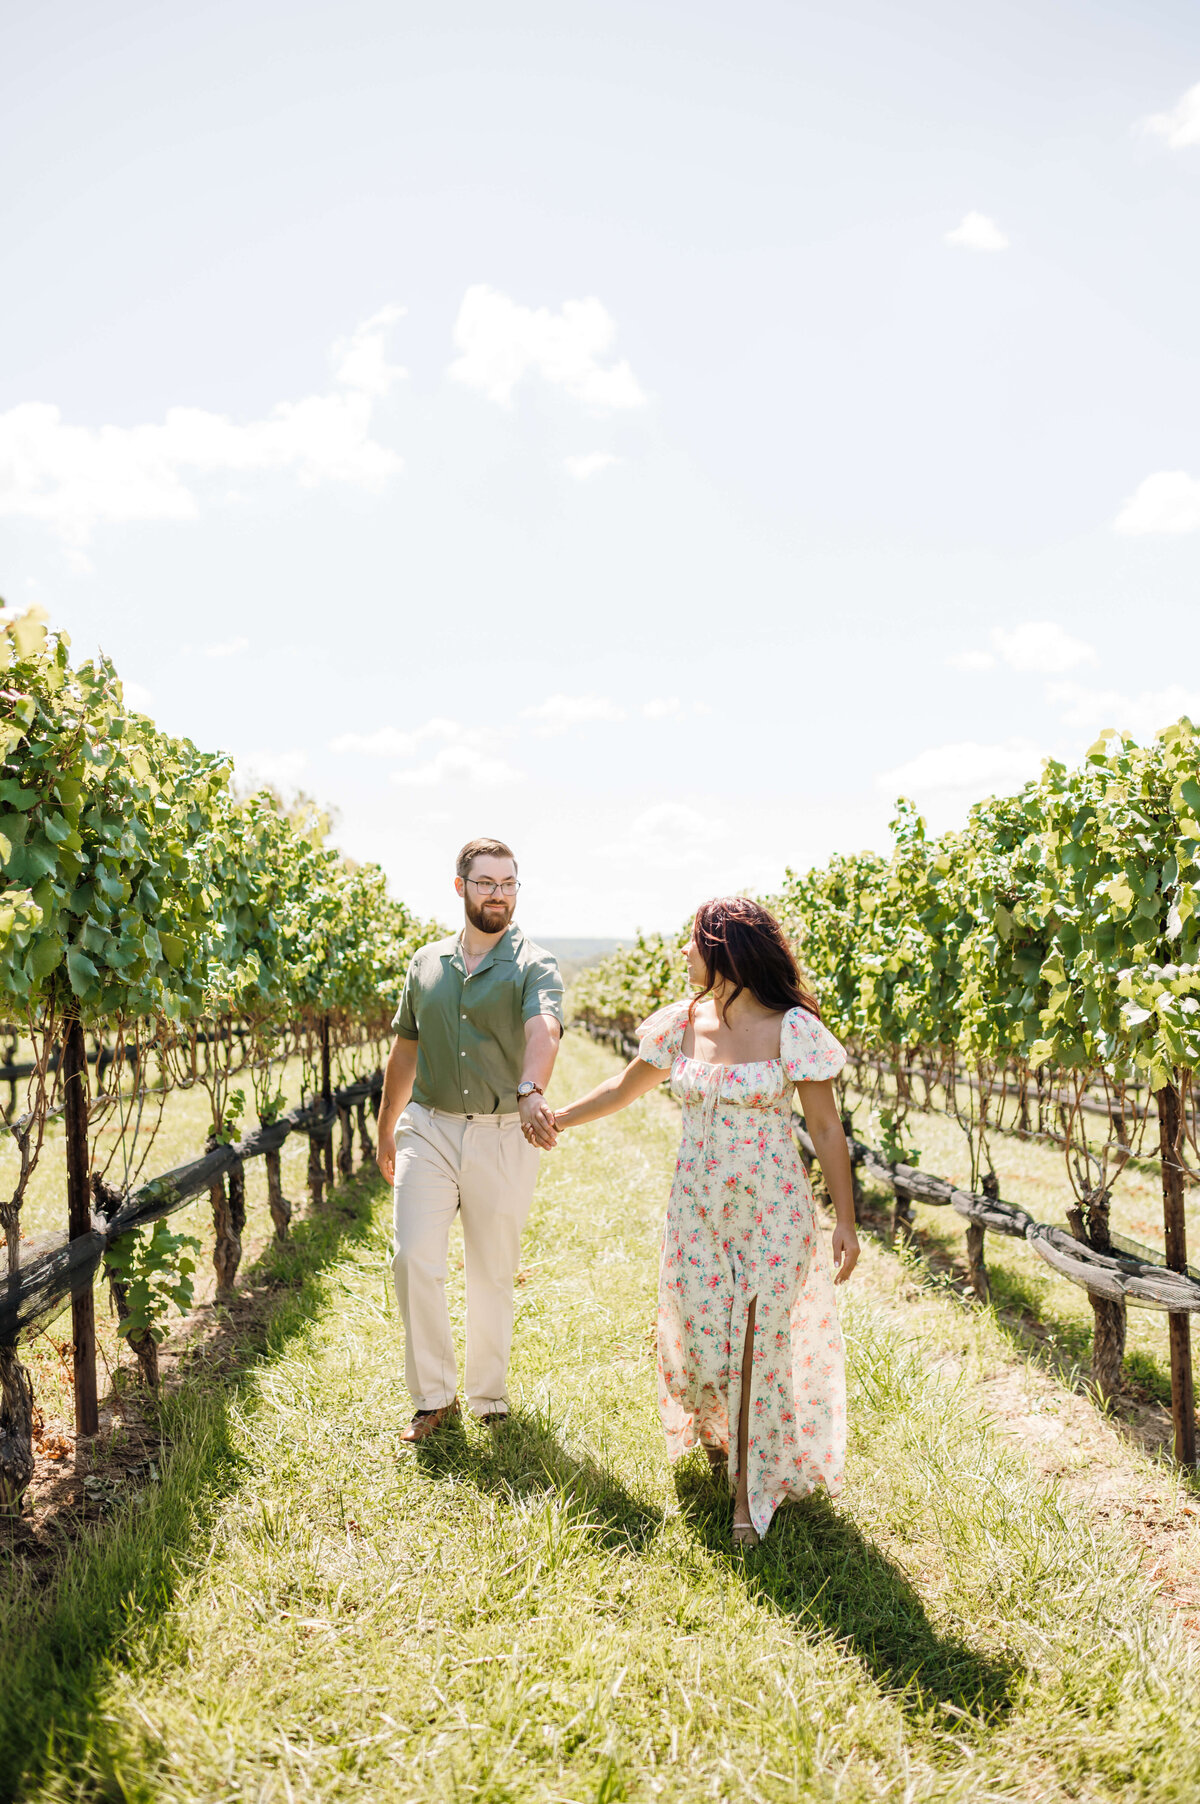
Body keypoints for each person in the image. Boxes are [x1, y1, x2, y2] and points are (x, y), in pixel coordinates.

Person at [550, 896, 858, 1547]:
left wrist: (846, 1223)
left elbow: (826, 1129)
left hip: (773, 1211)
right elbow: (621, 1090)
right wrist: (556, 1118)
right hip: (696, 1212)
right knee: (702, 1338)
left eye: (692, 942)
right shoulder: (682, 1024)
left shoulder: (791, 1028)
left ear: (724, 951)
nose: (683, 954)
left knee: (755, 1341)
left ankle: (749, 1492)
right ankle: (721, 1433)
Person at [376, 837, 563, 1442]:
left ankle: (487, 1398)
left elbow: (545, 1028)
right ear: (460, 887)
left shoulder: (536, 964)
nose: (498, 894)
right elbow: (406, 1047)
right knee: (413, 1258)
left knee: (492, 1270)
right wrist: (386, 1129)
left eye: (508, 883)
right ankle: (434, 1398)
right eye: (486, 883)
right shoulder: (425, 963)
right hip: (427, 1127)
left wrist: (532, 1086)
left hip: (501, 1132)